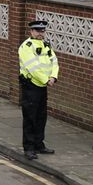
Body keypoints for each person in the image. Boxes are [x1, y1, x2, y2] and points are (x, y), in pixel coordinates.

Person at [18, 20, 58, 160]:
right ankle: (29, 148)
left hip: (42, 87)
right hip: (31, 87)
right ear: (31, 32)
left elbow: (54, 62)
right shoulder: (27, 47)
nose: (41, 34)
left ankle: (39, 144)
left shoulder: (46, 45)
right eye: (38, 31)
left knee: (41, 117)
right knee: (30, 118)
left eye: (42, 31)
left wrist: (53, 76)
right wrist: (46, 79)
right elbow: (32, 67)